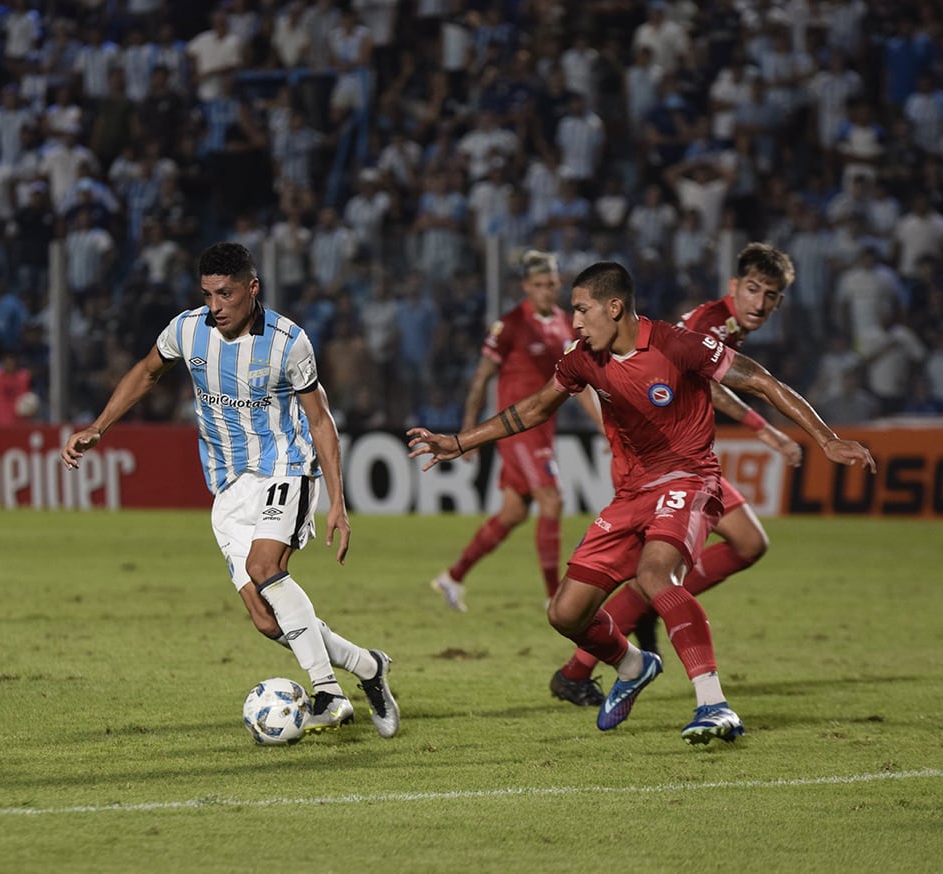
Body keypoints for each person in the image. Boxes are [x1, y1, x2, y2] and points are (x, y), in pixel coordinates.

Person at [409, 261, 875, 744]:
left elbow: (759, 380)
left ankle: (714, 703)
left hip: (690, 478)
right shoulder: (583, 357)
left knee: (657, 575)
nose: (576, 322)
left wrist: (827, 440)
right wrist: (461, 442)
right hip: (632, 492)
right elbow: (536, 406)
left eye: (582, 310)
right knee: (565, 613)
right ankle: (633, 665)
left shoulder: (677, 343)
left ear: (615, 307)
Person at [61, 242, 398, 738]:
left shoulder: (288, 342)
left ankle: (326, 693)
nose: (215, 305)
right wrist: (99, 426)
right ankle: (369, 667)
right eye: (207, 294)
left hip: (285, 467)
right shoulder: (188, 329)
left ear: (251, 289)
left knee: (266, 569)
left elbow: (321, 422)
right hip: (227, 484)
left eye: (225, 293)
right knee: (266, 618)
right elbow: (148, 370)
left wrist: (338, 505)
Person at [548, 243, 807, 706]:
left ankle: (615, 640)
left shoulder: (724, 326)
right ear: (734, 287)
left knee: (740, 546)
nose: (760, 303)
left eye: (770, 295)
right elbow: (710, 381)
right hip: (659, 464)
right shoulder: (709, 325)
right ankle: (584, 665)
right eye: (753, 290)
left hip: (680, 461)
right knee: (661, 572)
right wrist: (768, 433)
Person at [430, 250, 599, 612]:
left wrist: (605, 426)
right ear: (525, 286)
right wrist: (468, 430)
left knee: (513, 513)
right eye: (538, 285)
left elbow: (580, 384)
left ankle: (453, 576)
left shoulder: (566, 324)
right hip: (518, 429)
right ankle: (555, 596)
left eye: (551, 284)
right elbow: (481, 379)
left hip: (544, 429)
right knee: (552, 500)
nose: (546, 291)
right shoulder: (510, 325)